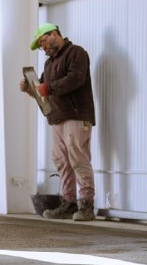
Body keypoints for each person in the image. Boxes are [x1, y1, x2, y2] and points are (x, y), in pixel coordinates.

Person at [20, 22, 96, 221]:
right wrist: (31, 90)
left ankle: (86, 204)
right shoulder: (49, 63)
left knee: (78, 159)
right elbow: (44, 91)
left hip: (77, 115)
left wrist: (48, 88)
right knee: (62, 161)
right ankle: (69, 203)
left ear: (54, 34)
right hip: (58, 118)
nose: (43, 47)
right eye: (40, 46)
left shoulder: (77, 53)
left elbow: (76, 79)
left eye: (43, 42)